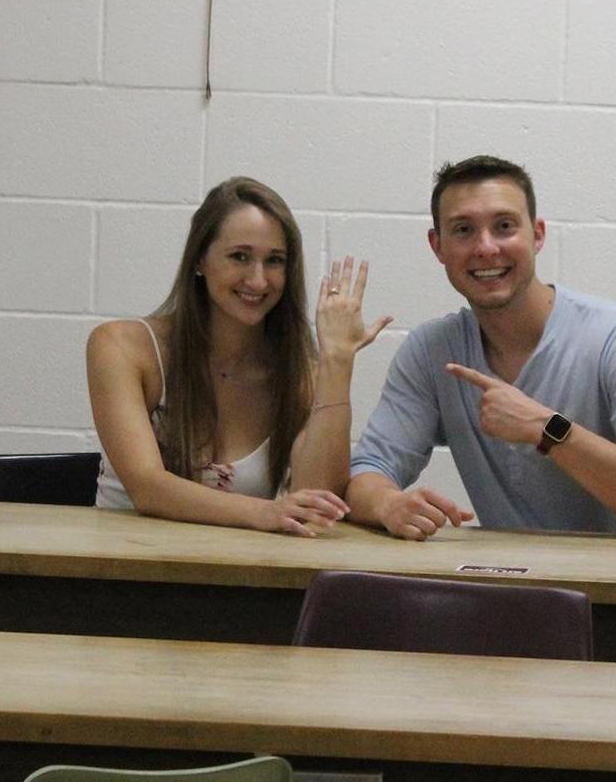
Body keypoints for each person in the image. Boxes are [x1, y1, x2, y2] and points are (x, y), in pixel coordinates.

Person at [347, 155, 616, 541]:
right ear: (438, 246)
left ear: (537, 235)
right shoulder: (433, 351)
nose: (485, 247)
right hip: (514, 590)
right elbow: (368, 470)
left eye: (504, 227)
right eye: (463, 230)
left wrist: (548, 430)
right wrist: (389, 504)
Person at [87, 176, 390, 536]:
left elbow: (318, 500)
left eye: (275, 261)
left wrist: (338, 361)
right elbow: (148, 487)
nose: (258, 280)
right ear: (200, 258)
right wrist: (265, 513)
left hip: (238, 579)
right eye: (239, 257)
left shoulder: (297, 371)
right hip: (123, 573)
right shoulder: (121, 347)